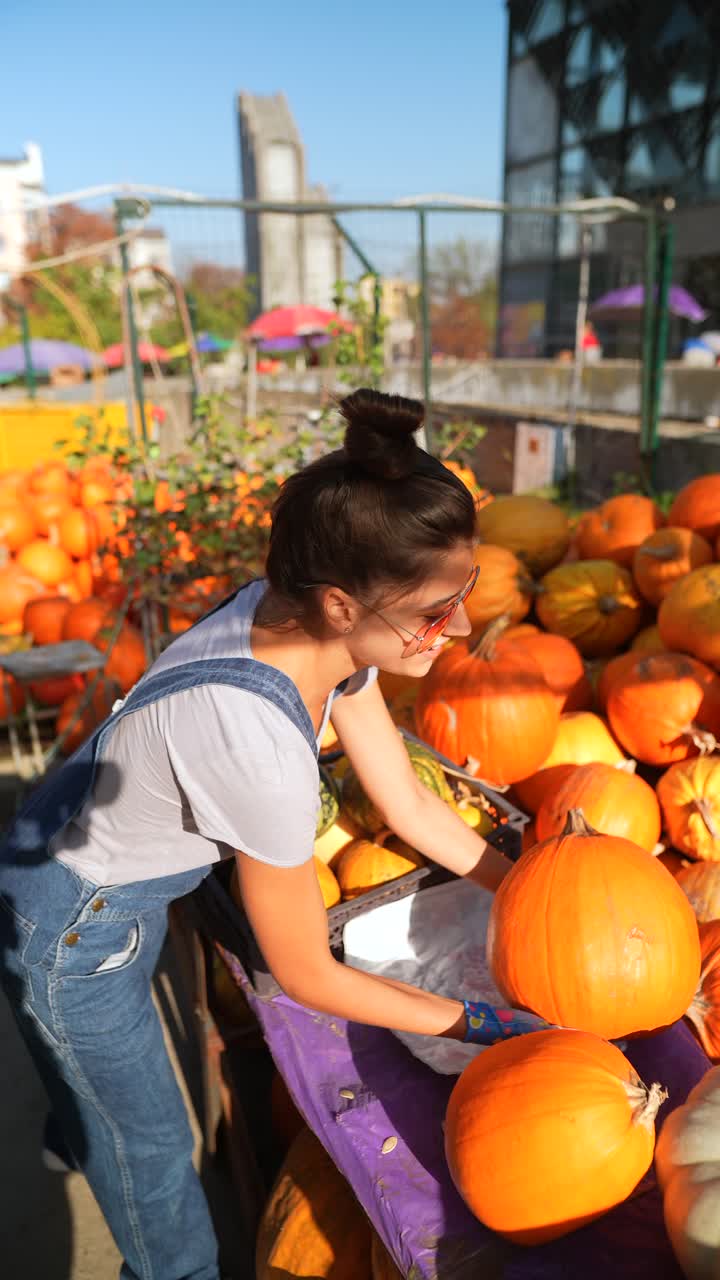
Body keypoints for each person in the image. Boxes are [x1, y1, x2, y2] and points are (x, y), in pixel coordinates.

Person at [0, 389, 545, 1280]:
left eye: (465, 593)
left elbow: (405, 804)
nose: (463, 629)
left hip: (97, 858)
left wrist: (521, 883)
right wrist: (481, 1023)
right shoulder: (257, 748)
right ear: (341, 605)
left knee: (100, 1089)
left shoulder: (303, 624)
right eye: (437, 612)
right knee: (151, 1153)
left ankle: (82, 1114)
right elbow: (305, 972)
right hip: (76, 925)